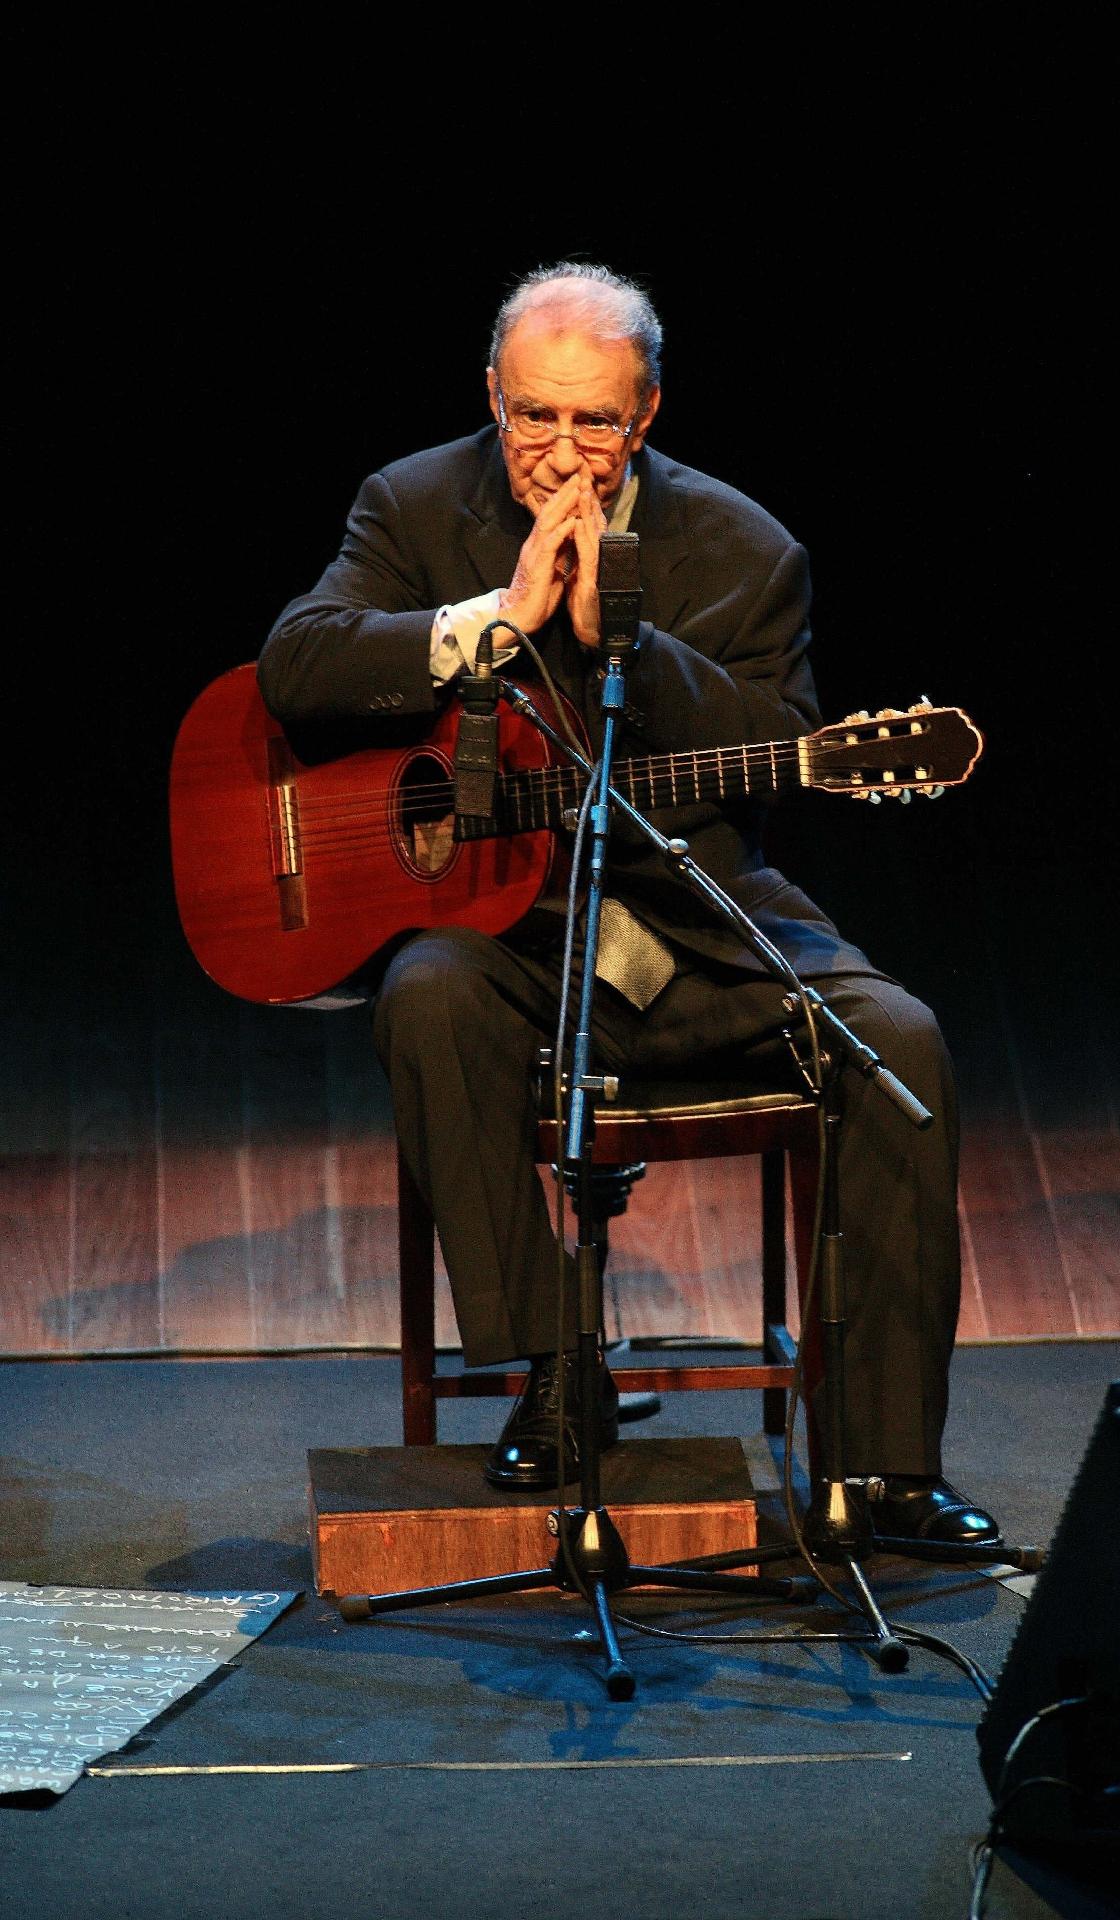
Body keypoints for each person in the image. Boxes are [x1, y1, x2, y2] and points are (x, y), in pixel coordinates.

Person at [258, 263, 1000, 1546]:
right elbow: (298, 661)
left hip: (690, 917)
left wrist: (630, 646)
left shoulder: (745, 550)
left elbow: (781, 738)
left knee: (903, 1046)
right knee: (425, 994)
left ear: (645, 413)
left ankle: (882, 1474)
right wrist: (490, 620)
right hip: (507, 936)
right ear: (491, 396)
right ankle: (557, 1372)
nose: (559, 454)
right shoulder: (414, 504)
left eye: (594, 423)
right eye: (533, 417)